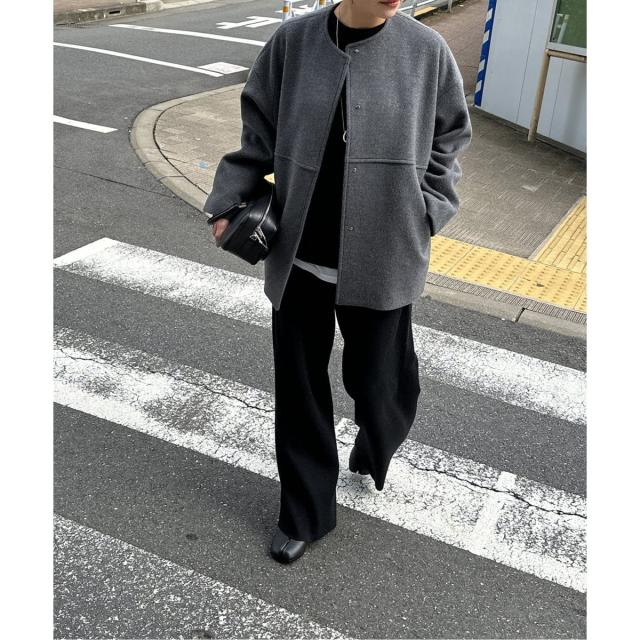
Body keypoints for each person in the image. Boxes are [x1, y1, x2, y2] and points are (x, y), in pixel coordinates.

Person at [207, 0, 472, 564]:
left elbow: (451, 135)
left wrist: (428, 208)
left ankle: (377, 437)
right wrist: (231, 197)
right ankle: (304, 513)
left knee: (380, 384)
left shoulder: (426, 51)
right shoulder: (294, 43)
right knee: (299, 392)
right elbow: (258, 126)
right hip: (300, 254)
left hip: (385, 252)